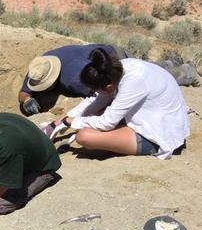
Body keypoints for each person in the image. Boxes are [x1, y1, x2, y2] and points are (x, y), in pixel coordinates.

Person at [50, 48, 190, 159]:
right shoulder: (118, 69)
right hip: (158, 118)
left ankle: (131, 146)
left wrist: (71, 122)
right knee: (94, 115)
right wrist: (61, 121)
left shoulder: (134, 81)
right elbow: (97, 99)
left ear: (109, 86)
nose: (94, 93)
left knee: (84, 136)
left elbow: (107, 122)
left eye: (96, 89)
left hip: (160, 134)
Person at [18, 44, 124, 116]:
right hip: (96, 52)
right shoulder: (41, 66)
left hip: (116, 59)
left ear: (52, 78)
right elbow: (23, 93)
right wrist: (27, 99)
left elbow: (101, 97)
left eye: (45, 85)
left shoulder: (74, 79)